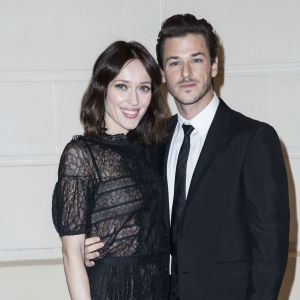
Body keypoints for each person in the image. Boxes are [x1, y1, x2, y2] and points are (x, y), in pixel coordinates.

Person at [85, 14, 290, 300]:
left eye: (196, 59)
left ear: (215, 65)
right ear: (162, 75)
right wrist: (92, 248)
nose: (186, 73)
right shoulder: (151, 141)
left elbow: (270, 246)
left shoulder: (253, 139)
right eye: (174, 63)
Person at [52, 40, 170, 300]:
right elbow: (71, 255)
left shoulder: (155, 148)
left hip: (159, 287)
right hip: (112, 289)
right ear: (102, 88)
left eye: (144, 88)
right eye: (122, 86)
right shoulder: (81, 154)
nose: (134, 100)